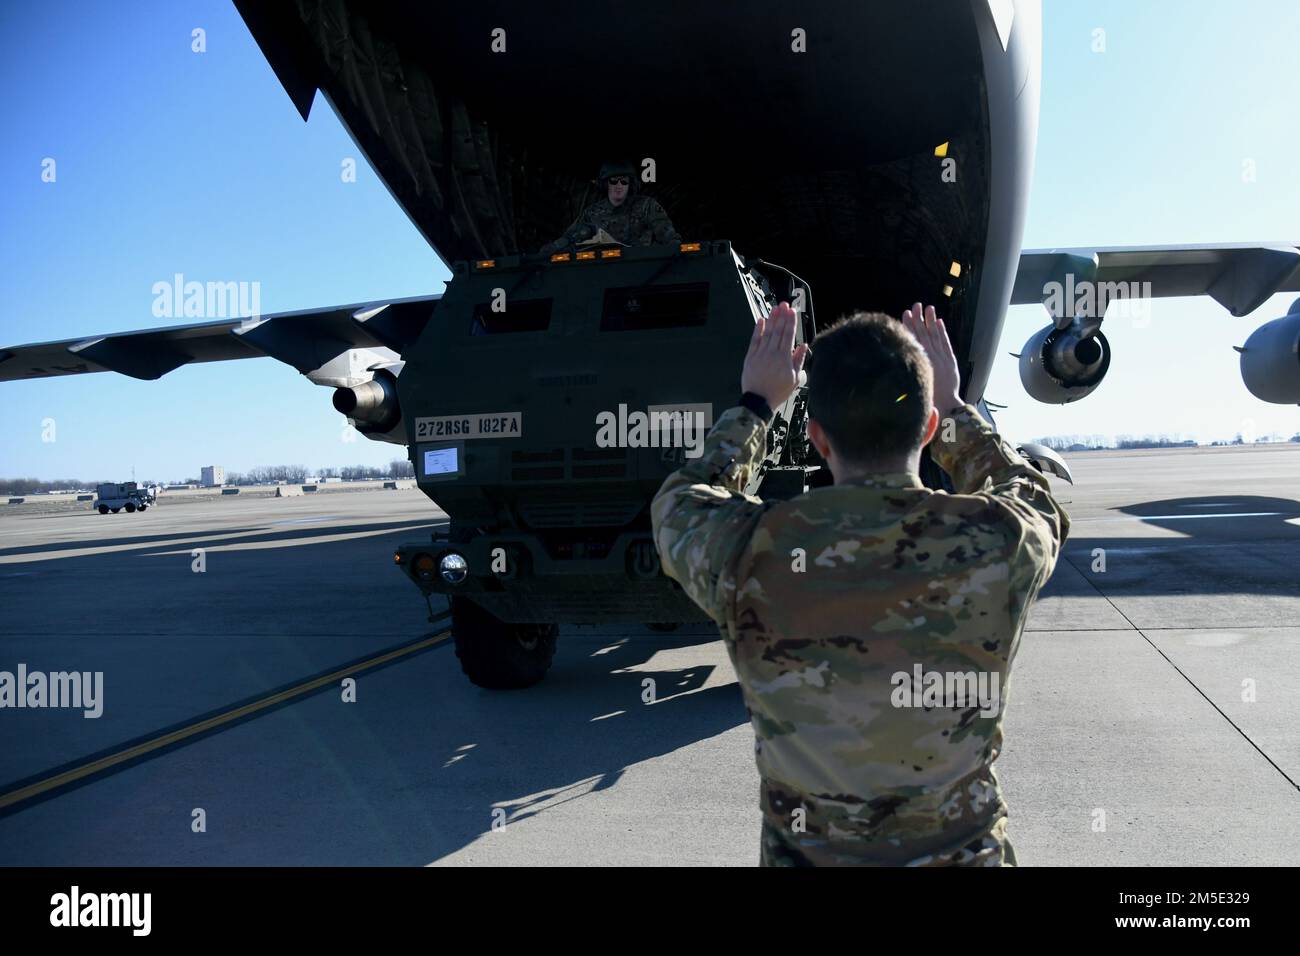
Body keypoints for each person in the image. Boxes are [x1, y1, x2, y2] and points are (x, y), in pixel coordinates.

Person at [650, 301, 1069, 866]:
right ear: (925, 430)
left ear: (819, 438)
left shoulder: (752, 550)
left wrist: (756, 404)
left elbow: (678, 505)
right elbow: (1033, 494)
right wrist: (954, 409)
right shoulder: (995, 541)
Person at [539, 161, 679, 255]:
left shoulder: (646, 205)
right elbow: (570, 236)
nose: (619, 185)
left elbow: (667, 235)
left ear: (631, 184)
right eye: (613, 181)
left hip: (639, 267)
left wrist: (676, 250)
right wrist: (552, 248)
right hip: (601, 269)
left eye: (624, 181)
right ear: (606, 184)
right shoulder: (592, 212)